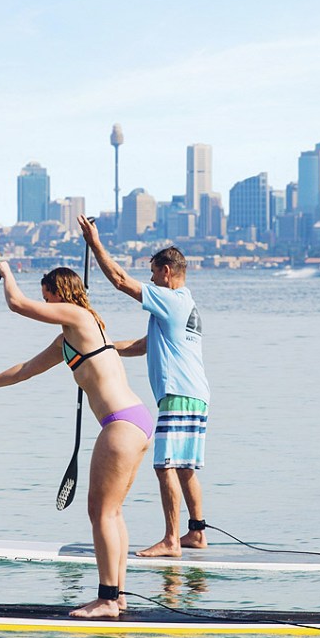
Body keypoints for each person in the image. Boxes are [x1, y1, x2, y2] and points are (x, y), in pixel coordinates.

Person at [0, 260, 152, 619]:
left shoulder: (78, 316)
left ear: (60, 293)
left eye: (47, 297)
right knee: (112, 512)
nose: (45, 305)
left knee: (101, 512)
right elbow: (25, 370)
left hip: (121, 424)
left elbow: (16, 304)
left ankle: (107, 600)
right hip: (135, 420)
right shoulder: (70, 336)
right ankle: (118, 596)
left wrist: (6, 271)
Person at [79, 216, 210, 558]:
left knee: (163, 464)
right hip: (195, 394)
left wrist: (95, 244)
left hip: (179, 393)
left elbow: (121, 280)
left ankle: (171, 540)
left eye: (153, 272)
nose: (150, 279)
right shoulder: (184, 305)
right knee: (183, 466)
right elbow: (146, 344)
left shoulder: (172, 299)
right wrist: (106, 348)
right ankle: (196, 533)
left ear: (167, 272)